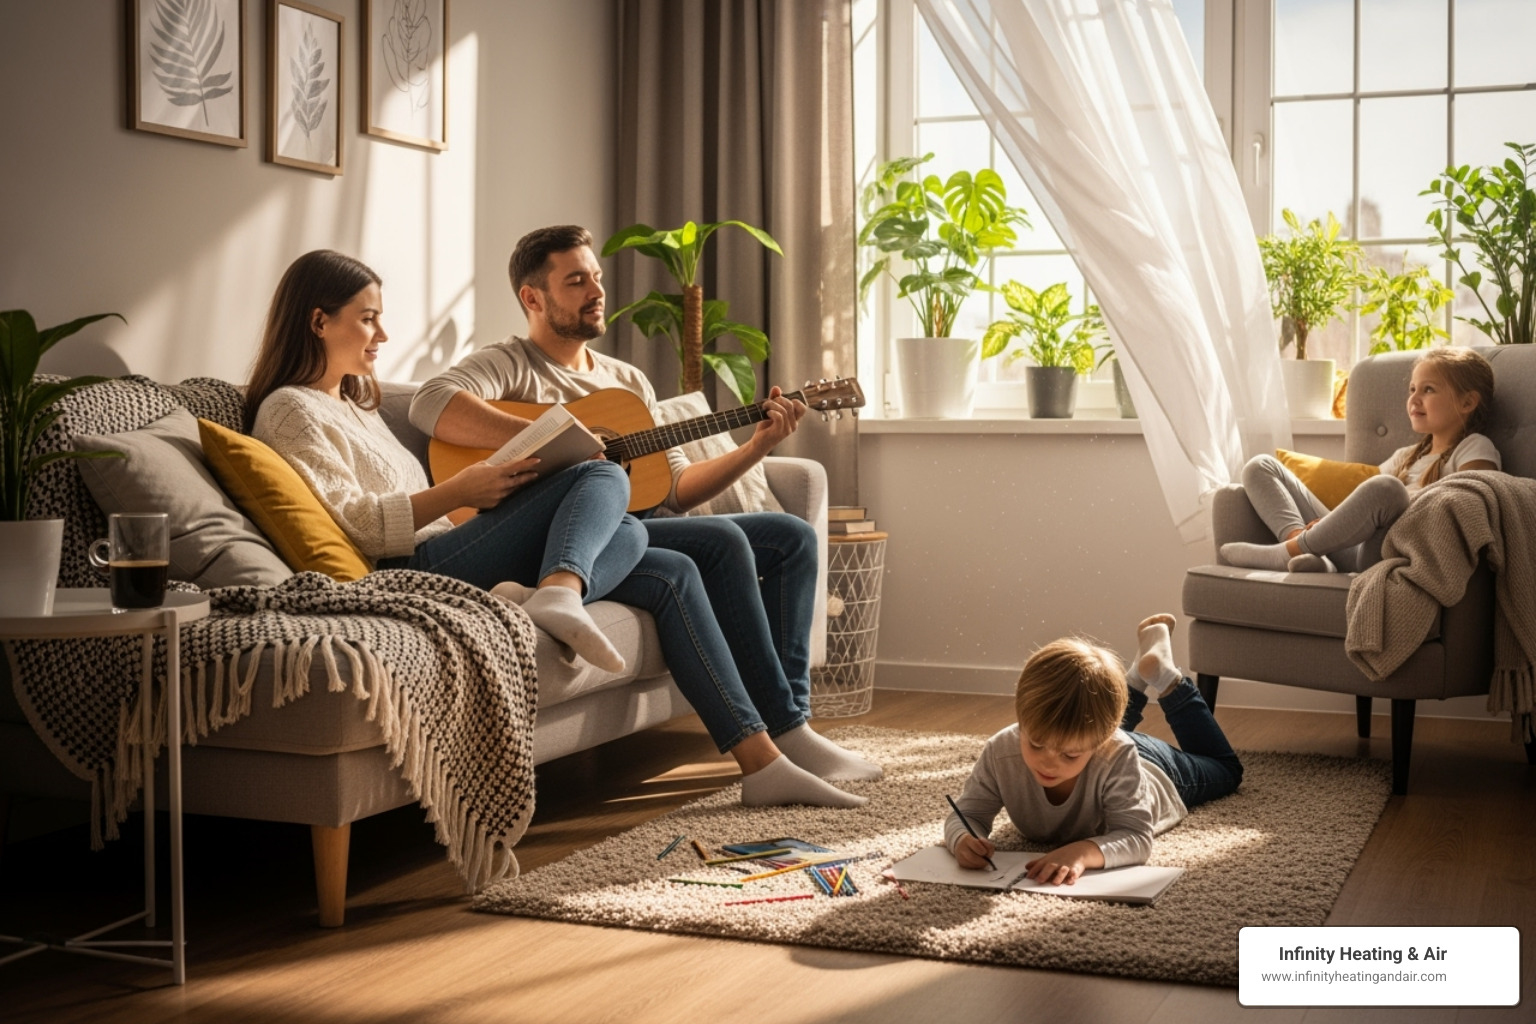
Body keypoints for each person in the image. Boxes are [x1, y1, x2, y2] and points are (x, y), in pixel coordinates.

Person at [406, 225, 882, 809]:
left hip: (626, 525)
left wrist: (756, 446)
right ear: (533, 298)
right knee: (718, 546)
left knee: (787, 537)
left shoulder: (626, 382)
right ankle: (776, 736)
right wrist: (559, 436)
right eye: (576, 280)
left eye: (596, 278)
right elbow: (431, 404)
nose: (595, 290)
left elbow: (676, 489)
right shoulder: (510, 365)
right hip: (536, 533)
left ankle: (792, 728)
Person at [245, 249, 645, 674]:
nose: (382, 334)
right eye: (368, 319)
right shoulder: (289, 410)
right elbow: (359, 524)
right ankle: (557, 596)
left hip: (443, 547)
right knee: (602, 473)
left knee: (631, 531)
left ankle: (539, 597)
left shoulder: (355, 406)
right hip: (405, 569)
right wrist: (460, 491)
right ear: (319, 322)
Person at [947, 614, 1242, 884]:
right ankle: (1138, 674)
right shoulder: (1001, 751)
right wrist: (963, 838)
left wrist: (1081, 852)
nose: (1049, 763)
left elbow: (1137, 837)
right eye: (1036, 744)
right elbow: (968, 813)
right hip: (1098, 744)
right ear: (1020, 719)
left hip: (1152, 768)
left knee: (1227, 770)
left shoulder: (1116, 752)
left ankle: (1165, 677)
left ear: (1101, 740)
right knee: (1091, 721)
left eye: (1069, 755)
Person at [1222, 347, 1500, 573]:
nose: (1414, 398)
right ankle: (1302, 547)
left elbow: (1472, 504)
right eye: (1412, 389)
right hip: (1351, 547)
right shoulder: (1406, 456)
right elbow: (1362, 503)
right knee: (1261, 466)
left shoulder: (1475, 447)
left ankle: (1294, 552)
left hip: (1388, 553)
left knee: (1387, 489)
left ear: (1467, 403)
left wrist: (1399, 498)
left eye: (1428, 390)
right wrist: (1328, 525)